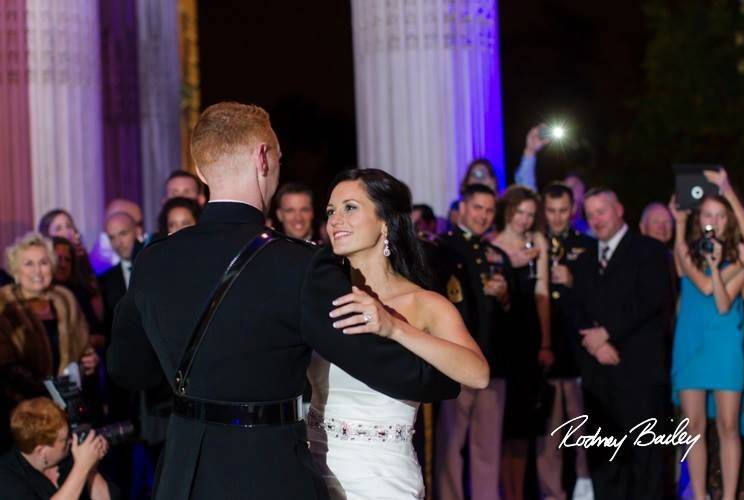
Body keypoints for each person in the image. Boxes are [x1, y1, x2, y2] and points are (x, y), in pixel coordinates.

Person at [106, 101, 459, 499]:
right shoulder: (297, 265)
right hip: (267, 471)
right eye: (277, 155)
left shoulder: (154, 259)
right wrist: (445, 379)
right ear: (262, 157)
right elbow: (377, 363)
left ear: (202, 171)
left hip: (183, 472)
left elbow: (128, 371)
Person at [307, 168, 489, 499]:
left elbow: (477, 374)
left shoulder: (424, 303)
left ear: (385, 222)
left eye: (350, 207)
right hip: (314, 474)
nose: (335, 220)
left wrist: (394, 328)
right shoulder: (321, 299)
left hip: (383, 481)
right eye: (331, 211)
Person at [569, 187, 672, 500]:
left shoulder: (649, 250)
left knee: (646, 461)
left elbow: (651, 299)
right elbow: (575, 308)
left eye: (601, 212)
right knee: (605, 461)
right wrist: (595, 344)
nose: (596, 220)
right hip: (600, 382)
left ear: (619, 210)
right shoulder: (584, 262)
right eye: (590, 215)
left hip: (640, 374)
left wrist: (608, 332)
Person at [670, 168, 744, 500]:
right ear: (697, 216)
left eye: (721, 216)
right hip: (691, 346)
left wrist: (727, 190)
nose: (714, 221)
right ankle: (699, 495)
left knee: (729, 427)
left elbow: (713, 292)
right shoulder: (687, 252)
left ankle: (729, 496)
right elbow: (698, 282)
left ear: (729, 220)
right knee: (693, 428)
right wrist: (677, 222)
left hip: (726, 347)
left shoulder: (740, 258)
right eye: (708, 214)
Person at [435, 183, 511, 500]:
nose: (483, 215)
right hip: (456, 363)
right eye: (477, 208)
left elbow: (509, 316)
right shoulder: (443, 248)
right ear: (462, 209)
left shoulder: (495, 253)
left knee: (487, 447)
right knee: (451, 446)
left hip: (492, 363)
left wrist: (505, 296)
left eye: (489, 209)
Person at [0, 233, 98, 451]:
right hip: (22, 412)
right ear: (15, 270)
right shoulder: (4, 305)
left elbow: (82, 348)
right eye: (29, 264)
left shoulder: (65, 298)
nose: (38, 271)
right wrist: (48, 394)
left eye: (44, 262)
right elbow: (6, 366)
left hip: (68, 410)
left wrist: (88, 361)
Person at [490, 185, 554, 500]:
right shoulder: (492, 246)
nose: (525, 220)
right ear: (508, 211)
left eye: (531, 214)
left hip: (530, 337)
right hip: (502, 338)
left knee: (525, 427)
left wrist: (546, 341)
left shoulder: (538, 243)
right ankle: (506, 493)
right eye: (520, 212)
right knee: (504, 427)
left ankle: (521, 493)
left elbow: (542, 296)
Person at [536, 182, 595, 500]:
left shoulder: (586, 245)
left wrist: (574, 280)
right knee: (548, 429)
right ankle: (551, 492)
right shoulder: (534, 244)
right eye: (551, 211)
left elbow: (599, 297)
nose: (557, 218)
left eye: (563, 211)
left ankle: (585, 484)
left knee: (582, 425)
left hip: (578, 350)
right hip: (545, 349)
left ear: (572, 210)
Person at [0, 397, 116, 499]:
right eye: (64, 440)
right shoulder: (6, 476)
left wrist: (91, 467)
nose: (71, 441)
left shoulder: (69, 454)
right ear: (41, 451)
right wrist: (82, 467)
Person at [514, 124, 590, 234]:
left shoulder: (593, 234)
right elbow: (527, 192)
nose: (569, 191)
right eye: (551, 210)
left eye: (575, 187)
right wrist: (530, 151)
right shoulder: (540, 232)